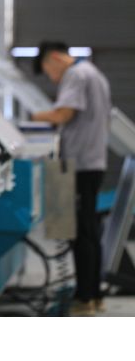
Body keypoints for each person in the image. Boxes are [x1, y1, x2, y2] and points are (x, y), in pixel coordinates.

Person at [31, 41, 111, 316]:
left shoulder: (76, 74)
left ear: (55, 58)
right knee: (89, 231)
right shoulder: (94, 72)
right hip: (92, 161)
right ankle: (94, 295)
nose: (53, 78)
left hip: (80, 164)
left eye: (48, 71)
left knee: (81, 234)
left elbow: (63, 113)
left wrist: (32, 116)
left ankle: (85, 298)